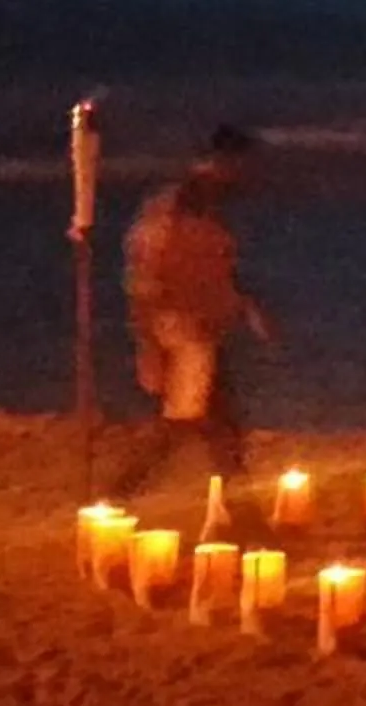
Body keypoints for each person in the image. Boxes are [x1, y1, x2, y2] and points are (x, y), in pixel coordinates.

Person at [110, 125, 271, 497]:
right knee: (184, 423)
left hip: (200, 330)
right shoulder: (180, 207)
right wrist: (148, 345)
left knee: (217, 427)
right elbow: (149, 275)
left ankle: (240, 508)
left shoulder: (206, 207)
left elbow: (214, 269)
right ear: (226, 162)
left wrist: (243, 306)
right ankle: (120, 493)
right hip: (183, 333)